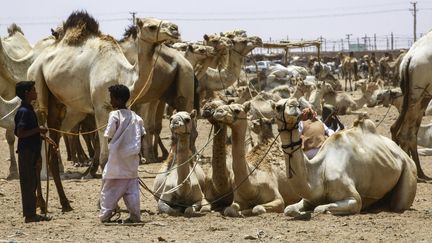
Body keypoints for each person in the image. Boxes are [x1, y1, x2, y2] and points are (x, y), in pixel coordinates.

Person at [99, 84, 145, 223]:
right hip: (131, 160)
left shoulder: (114, 115)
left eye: (112, 98)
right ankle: (135, 216)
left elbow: (110, 134)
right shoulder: (137, 117)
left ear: (118, 100)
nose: (111, 101)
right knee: (132, 190)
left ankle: (105, 216)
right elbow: (142, 135)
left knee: (109, 189)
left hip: (116, 160)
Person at [14, 81, 51, 223]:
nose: (36, 92)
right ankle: (30, 215)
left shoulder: (28, 109)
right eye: (34, 90)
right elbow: (20, 133)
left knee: (32, 183)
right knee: (28, 183)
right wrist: (38, 130)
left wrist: (40, 135)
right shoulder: (24, 112)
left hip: (31, 151)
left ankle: (32, 213)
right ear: (26, 93)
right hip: (27, 152)